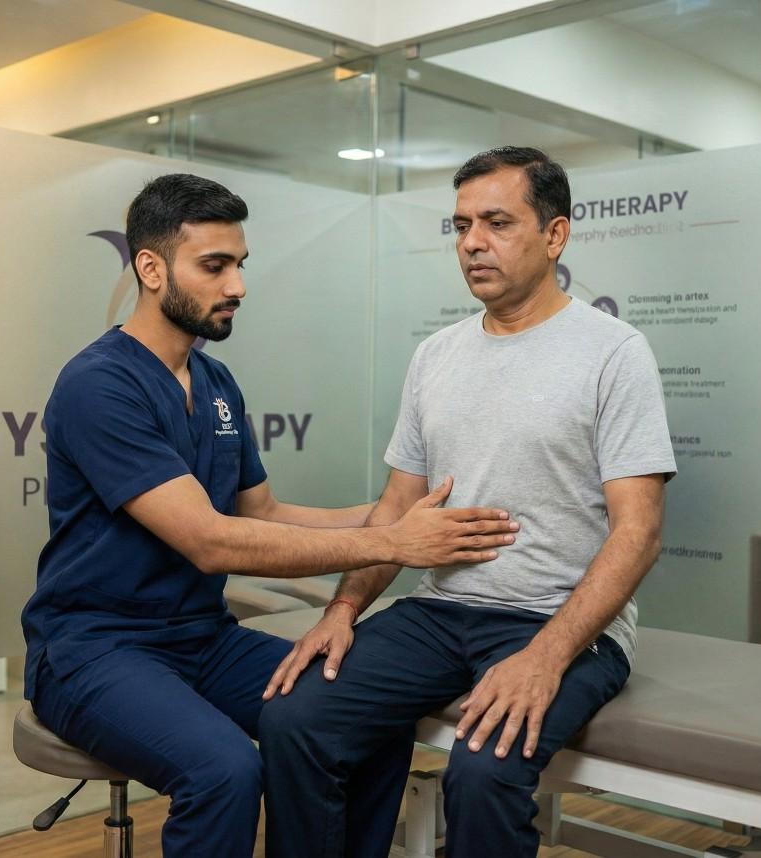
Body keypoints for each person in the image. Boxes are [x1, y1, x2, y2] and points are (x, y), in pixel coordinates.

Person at [20, 173, 520, 858]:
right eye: (214, 267)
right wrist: (398, 543)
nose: (238, 287)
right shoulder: (100, 385)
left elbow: (268, 512)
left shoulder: (216, 382)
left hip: (203, 641)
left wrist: (402, 515)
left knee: (367, 721)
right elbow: (211, 541)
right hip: (95, 650)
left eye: (240, 265)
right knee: (225, 772)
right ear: (150, 268)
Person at [259, 147, 677, 858]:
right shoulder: (436, 356)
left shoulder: (614, 353)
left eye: (496, 223)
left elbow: (638, 532)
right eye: (460, 226)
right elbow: (398, 507)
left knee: (483, 770)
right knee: (297, 717)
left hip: (554, 619)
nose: (472, 243)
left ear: (555, 235)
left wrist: (546, 657)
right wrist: (342, 609)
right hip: (440, 612)